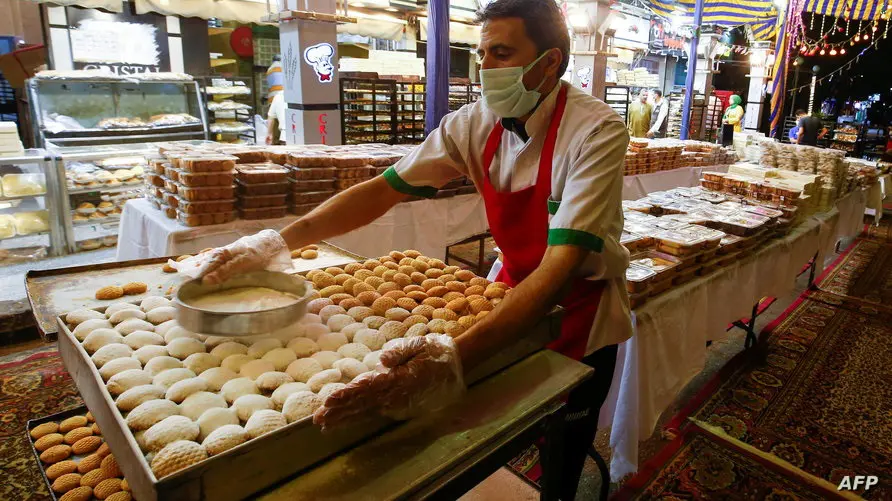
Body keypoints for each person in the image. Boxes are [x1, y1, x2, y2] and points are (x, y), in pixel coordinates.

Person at [200, 0, 631, 497]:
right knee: (501, 423)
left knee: (564, 441)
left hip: (580, 309)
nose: (485, 67)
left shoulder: (595, 132)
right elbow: (382, 190)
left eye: (501, 53)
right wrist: (278, 241)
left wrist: (452, 358)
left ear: (550, 62)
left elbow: (561, 267)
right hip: (509, 294)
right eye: (482, 53)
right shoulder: (473, 124)